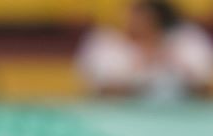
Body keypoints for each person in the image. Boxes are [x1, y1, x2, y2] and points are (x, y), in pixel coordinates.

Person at [77, 0, 213, 100]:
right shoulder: (105, 42)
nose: (135, 22)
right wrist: (140, 66)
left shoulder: (186, 40)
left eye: (145, 18)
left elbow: (204, 88)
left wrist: (172, 61)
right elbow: (100, 90)